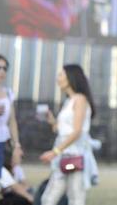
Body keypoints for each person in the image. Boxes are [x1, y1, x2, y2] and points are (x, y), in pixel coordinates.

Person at [39, 65, 98, 205]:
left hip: (74, 157)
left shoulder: (80, 100)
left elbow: (77, 131)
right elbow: (64, 130)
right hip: (64, 156)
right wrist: (53, 121)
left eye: (61, 75)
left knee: (76, 197)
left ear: (70, 77)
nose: (58, 78)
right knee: (48, 198)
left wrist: (55, 152)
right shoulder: (69, 101)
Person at [0, 55, 23, 205]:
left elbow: (12, 121)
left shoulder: (8, 93)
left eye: (5, 68)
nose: (2, 72)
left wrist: (16, 144)